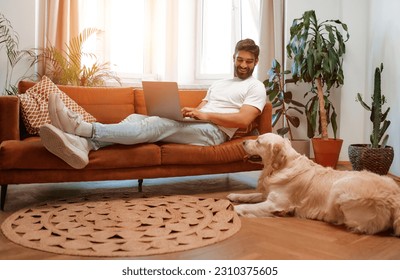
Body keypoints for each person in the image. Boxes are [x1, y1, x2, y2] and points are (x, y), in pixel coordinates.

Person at [39, 38, 267, 169]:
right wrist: (190, 113)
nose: (243, 65)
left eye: (249, 61)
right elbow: (202, 107)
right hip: (199, 125)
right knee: (136, 119)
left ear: (256, 62)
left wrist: (205, 116)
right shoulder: (219, 84)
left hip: (215, 133)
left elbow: (243, 120)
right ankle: (86, 146)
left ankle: (82, 129)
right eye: (240, 59)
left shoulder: (255, 87)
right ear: (233, 58)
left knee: (159, 124)